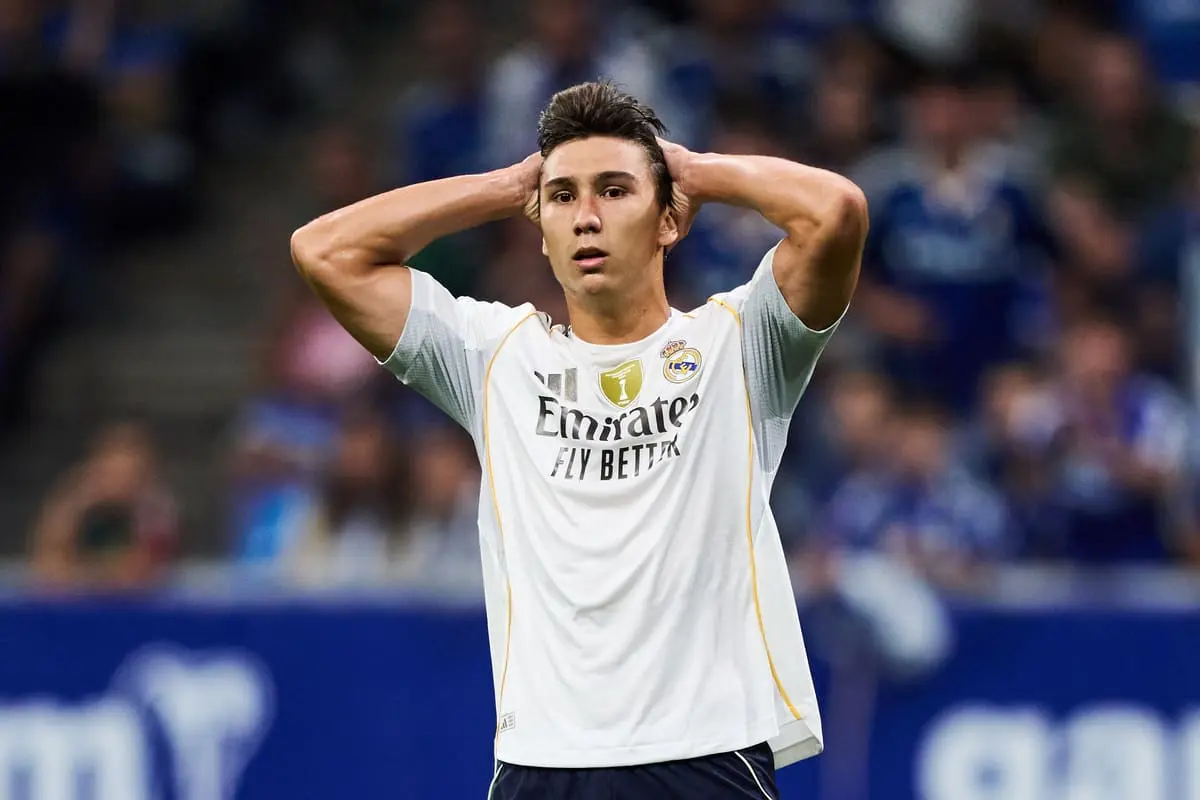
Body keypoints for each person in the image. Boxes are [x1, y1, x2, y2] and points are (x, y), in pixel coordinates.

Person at [291, 80, 866, 799]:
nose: (586, 217)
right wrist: (505, 185)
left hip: (705, 756)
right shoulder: (492, 356)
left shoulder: (742, 343)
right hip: (542, 762)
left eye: (615, 191)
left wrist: (693, 171)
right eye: (563, 197)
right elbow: (324, 251)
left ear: (669, 221)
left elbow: (835, 212)